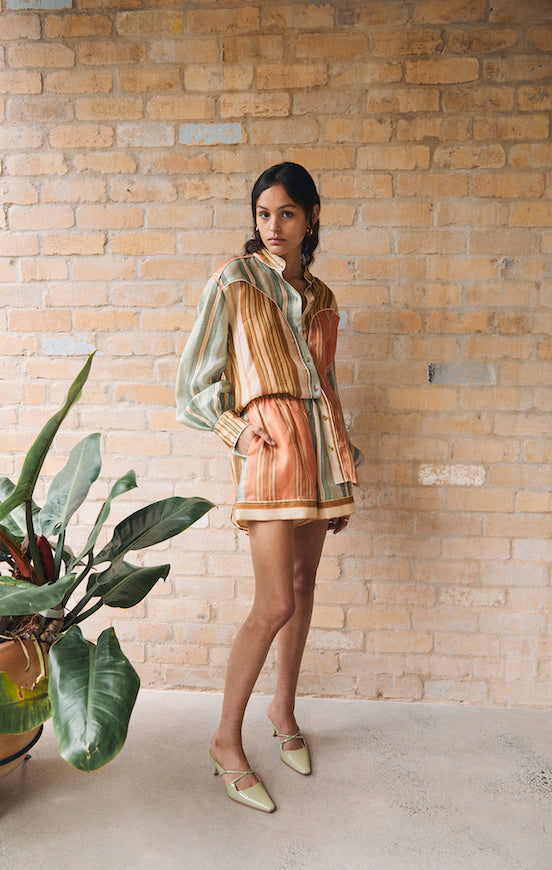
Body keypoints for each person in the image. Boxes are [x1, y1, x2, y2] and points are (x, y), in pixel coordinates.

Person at [176, 162, 359, 813]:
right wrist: (238, 432)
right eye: (263, 213)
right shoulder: (236, 280)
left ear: (311, 217)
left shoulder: (324, 298)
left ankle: (283, 710)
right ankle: (225, 739)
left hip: (319, 454)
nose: (273, 225)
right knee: (275, 601)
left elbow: (328, 385)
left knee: (305, 586)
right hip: (271, 450)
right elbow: (193, 383)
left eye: (286, 213)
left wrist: (342, 467)